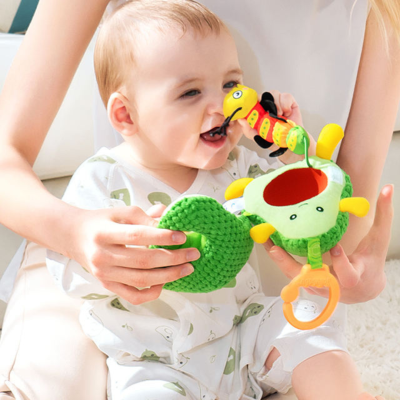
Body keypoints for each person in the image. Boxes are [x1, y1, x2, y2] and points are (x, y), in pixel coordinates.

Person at [0, 0, 398, 399]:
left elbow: (295, 209)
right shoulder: (103, 178)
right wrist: (98, 251)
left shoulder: (239, 167)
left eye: (230, 85)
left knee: (308, 328)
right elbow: (68, 270)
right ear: (125, 116)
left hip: (244, 331)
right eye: (190, 92)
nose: (222, 106)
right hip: (155, 359)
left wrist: (293, 151)